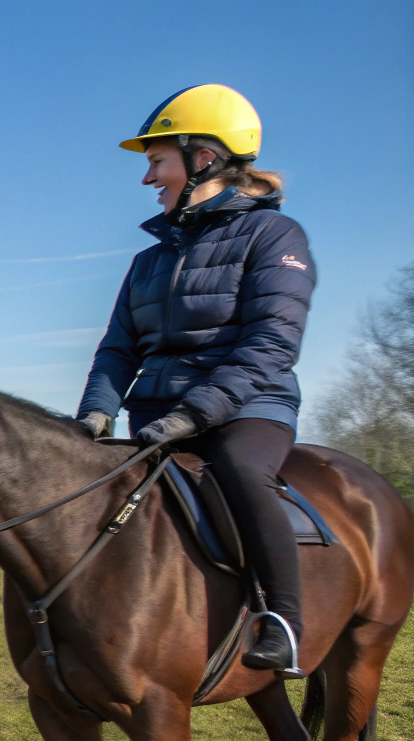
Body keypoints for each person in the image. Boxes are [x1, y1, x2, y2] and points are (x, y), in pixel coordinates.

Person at [75, 84, 317, 673]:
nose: (147, 177)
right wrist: (95, 413)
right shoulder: (147, 261)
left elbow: (272, 343)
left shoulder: (275, 238)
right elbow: (116, 348)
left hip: (247, 409)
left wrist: (196, 412)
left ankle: (283, 618)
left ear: (202, 157)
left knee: (240, 471)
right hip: (156, 416)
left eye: (156, 161)